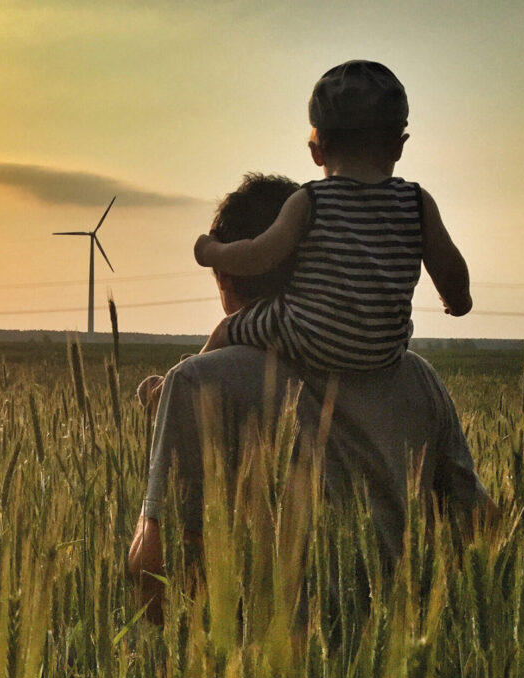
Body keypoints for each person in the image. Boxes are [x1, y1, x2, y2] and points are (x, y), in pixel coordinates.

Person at [128, 172, 495, 625]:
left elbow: (158, 572)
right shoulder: (417, 377)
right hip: (396, 677)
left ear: (225, 272)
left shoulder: (194, 383)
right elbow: (482, 530)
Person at [192, 60, 473, 372]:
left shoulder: (310, 200)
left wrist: (211, 252)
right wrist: (458, 302)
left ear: (317, 152)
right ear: (398, 146)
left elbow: (258, 255)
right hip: (385, 351)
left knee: (226, 329)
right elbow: (450, 268)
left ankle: (173, 388)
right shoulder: (418, 202)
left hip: (310, 338)